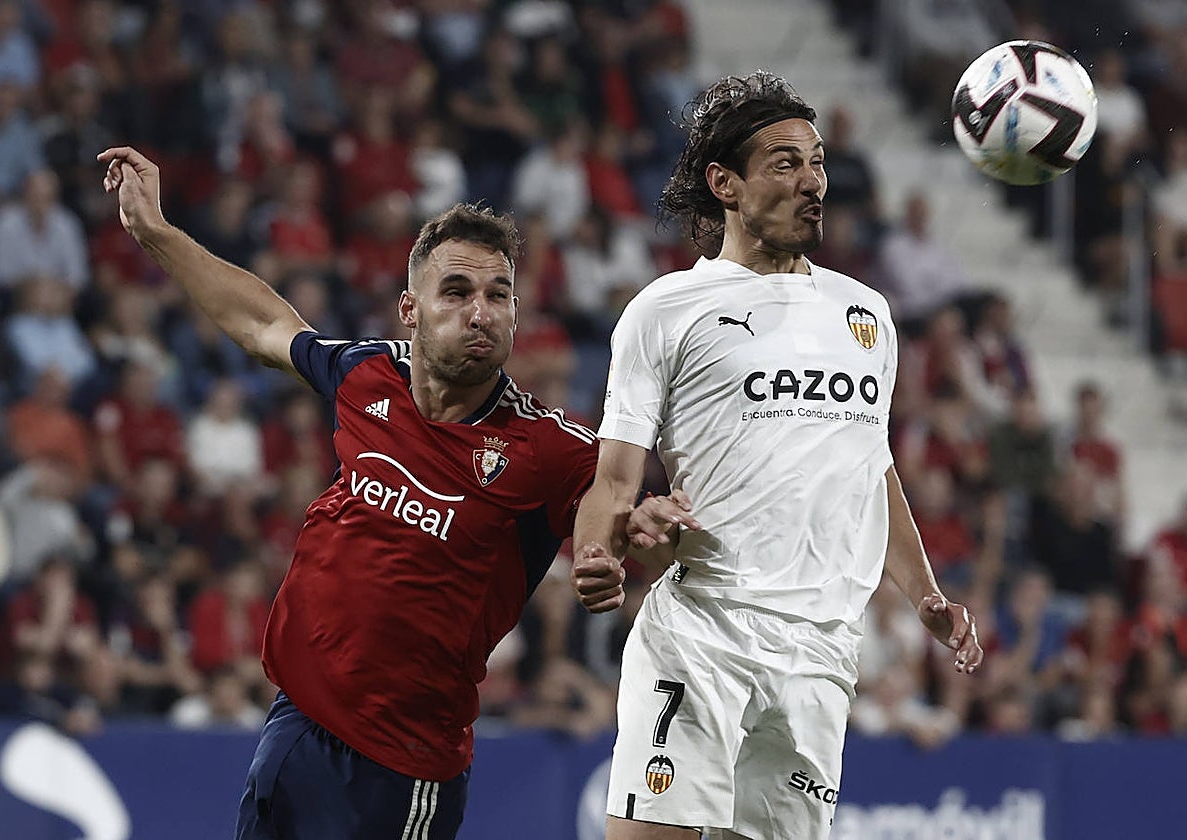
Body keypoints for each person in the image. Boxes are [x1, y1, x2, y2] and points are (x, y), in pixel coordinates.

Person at [99, 145, 642, 839]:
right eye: (457, 293)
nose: (481, 312)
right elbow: (265, 326)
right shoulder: (368, 374)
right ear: (411, 309)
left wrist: (607, 545)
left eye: (498, 295)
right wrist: (155, 233)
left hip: (400, 770)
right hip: (294, 727)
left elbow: (613, 496)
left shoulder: (546, 446)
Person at [571, 71, 985, 840]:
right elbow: (615, 478)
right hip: (703, 634)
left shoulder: (867, 314)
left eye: (817, 162)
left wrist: (924, 593)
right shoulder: (665, 311)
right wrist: (597, 550)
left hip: (821, 653)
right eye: (786, 163)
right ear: (724, 183)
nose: (812, 182)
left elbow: (871, 466)